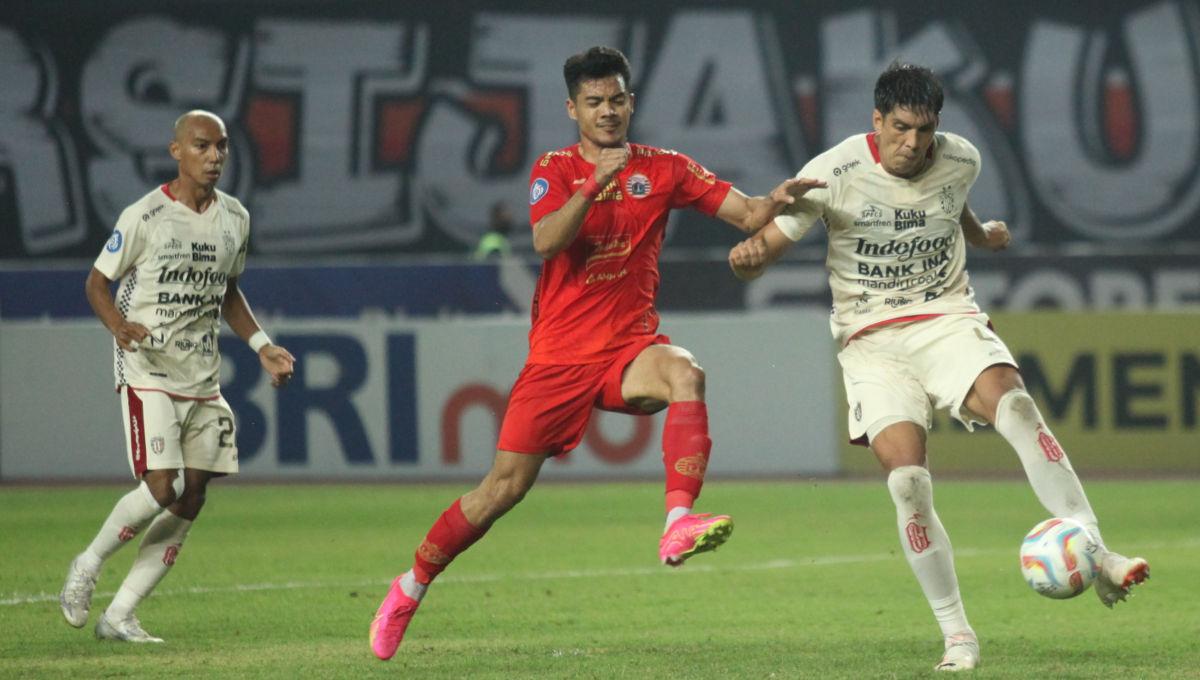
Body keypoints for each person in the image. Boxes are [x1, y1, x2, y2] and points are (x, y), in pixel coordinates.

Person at [369, 45, 793, 660]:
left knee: (686, 374)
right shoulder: (556, 169)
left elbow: (748, 212)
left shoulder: (665, 168)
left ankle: (677, 522)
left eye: (617, 98)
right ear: (573, 109)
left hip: (628, 349)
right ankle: (409, 587)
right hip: (558, 360)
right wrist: (593, 186)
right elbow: (545, 241)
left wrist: (777, 204)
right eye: (594, 102)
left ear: (631, 100)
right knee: (499, 492)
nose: (607, 111)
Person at [727, 63, 1149, 672]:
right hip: (870, 338)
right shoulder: (832, 173)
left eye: (924, 131)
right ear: (876, 121)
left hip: (945, 317)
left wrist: (983, 237)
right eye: (900, 129)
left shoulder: (960, 158)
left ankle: (1099, 552)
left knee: (1017, 404)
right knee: (907, 483)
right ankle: (958, 635)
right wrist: (745, 259)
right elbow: (760, 253)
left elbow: (953, 209)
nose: (912, 144)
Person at [58, 110, 296, 643]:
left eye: (222, 147)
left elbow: (228, 291)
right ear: (177, 152)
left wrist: (262, 345)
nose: (214, 157)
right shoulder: (145, 216)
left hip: (202, 376)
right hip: (149, 367)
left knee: (192, 497)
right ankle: (88, 564)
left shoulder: (236, 218)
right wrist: (119, 326)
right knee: (164, 485)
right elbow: (97, 282)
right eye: (202, 146)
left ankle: (120, 614)